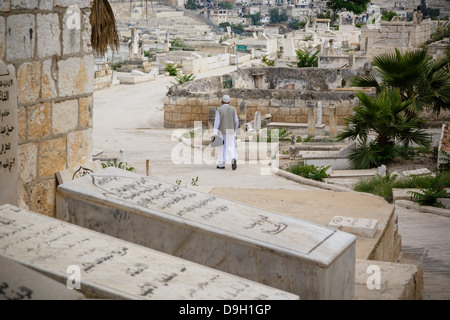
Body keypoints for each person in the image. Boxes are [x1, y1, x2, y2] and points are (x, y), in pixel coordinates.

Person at [212, 95, 238, 170]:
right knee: (231, 145)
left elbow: (217, 122)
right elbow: (236, 121)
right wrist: (234, 129)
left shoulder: (219, 110)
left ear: (222, 101)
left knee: (221, 147)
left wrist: (214, 132)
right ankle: (233, 158)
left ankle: (221, 164)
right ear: (229, 102)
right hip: (231, 130)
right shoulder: (233, 109)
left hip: (221, 131)